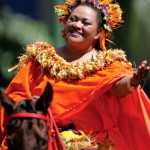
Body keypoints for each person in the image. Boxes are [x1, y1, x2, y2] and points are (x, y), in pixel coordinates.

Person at [0, 0, 150, 149]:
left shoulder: (110, 64)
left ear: (99, 32)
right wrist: (30, 104)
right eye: (73, 19)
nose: (77, 25)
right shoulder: (40, 59)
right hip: (42, 139)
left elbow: (118, 87)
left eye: (85, 22)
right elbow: (17, 94)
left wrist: (133, 81)